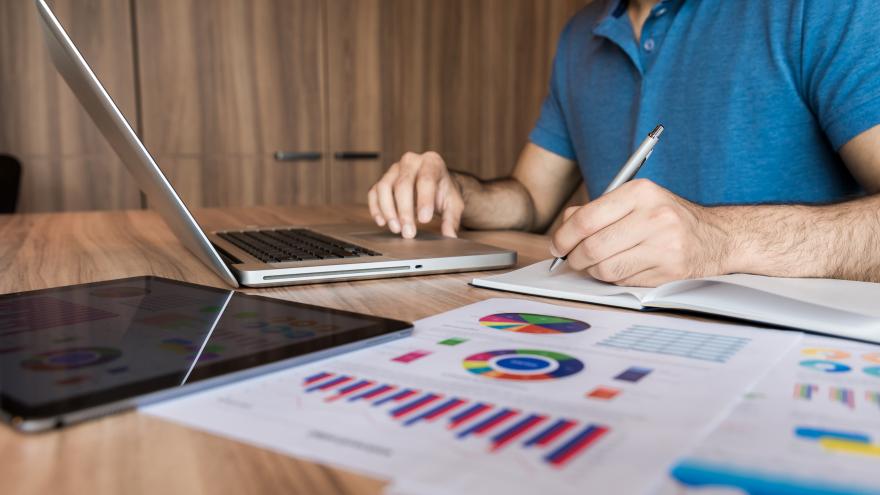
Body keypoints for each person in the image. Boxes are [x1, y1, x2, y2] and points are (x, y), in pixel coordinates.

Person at [367, 0, 880, 287]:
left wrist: (721, 240)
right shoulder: (580, 35)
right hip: (614, 334)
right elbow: (529, 199)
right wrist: (455, 190)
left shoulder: (826, 9)